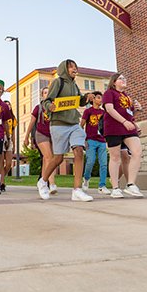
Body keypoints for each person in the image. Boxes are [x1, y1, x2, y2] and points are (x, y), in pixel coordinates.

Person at [37, 59, 95, 202]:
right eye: (71, 67)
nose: (74, 69)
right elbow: (47, 101)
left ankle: (77, 190)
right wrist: (49, 106)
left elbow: (78, 101)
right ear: (64, 69)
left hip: (74, 123)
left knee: (79, 151)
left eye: (75, 66)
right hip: (58, 124)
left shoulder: (74, 85)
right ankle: (43, 181)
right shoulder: (58, 82)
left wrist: (86, 98)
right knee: (58, 158)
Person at [103, 73, 144, 198]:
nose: (124, 80)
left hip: (128, 128)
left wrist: (136, 111)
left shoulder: (127, 97)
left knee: (137, 152)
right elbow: (110, 109)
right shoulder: (109, 93)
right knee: (115, 157)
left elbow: (129, 114)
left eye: (125, 78)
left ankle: (131, 184)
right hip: (113, 127)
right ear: (114, 82)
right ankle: (115, 188)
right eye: (121, 78)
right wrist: (124, 122)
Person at [24, 86, 57, 194]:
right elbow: (31, 123)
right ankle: (51, 184)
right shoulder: (38, 108)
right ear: (42, 95)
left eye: (49, 92)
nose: (47, 94)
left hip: (53, 135)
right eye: (45, 93)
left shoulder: (55, 107)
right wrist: (27, 137)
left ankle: (43, 183)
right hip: (41, 134)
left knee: (47, 160)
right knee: (49, 157)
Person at [81, 91, 111, 195]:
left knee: (103, 164)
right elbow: (81, 125)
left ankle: (102, 186)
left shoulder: (104, 112)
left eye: (101, 98)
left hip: (102, 141)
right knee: (90, 161)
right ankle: (86, 178)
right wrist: (83, 140)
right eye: (98, 98)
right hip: (90, 140)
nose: (100, 100)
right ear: (93, 99)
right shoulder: (88, 111)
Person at [1, 100, 17, 191]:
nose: (8, 106)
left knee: (9, 164)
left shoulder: (13, 118)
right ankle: (2, 183)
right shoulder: (1, 116)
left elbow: (14, 133)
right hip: (1, 136)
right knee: (1, 162)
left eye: (9, 104)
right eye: (6, 105)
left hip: (9, 138)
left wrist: (14, 145)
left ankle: (1, 176)